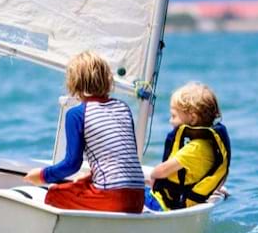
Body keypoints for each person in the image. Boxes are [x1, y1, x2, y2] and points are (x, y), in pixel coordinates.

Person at [24, 51, 145, 213]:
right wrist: (90, 176)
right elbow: (122, 157)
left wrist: (41, 176)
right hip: (138, 198)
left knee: (54, 195)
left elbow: (72, 164)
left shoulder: (77, 114)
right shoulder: (123, 108)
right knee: (81, 183)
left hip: (112, 198)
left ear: (74, 82)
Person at [145, 82, 231, 211]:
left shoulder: (195, 149)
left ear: (193, 118)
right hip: (183, 199)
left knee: (125, 189)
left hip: (164, 204)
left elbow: (162, 170)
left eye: (174, 116)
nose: (170, 121)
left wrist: (153, 175)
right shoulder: (208, 146)